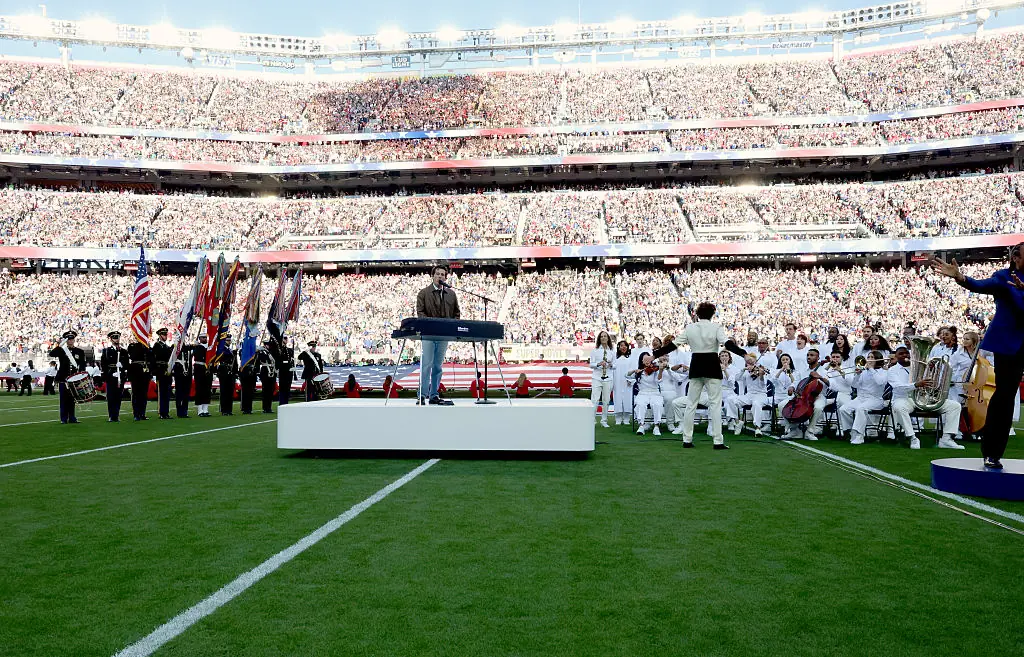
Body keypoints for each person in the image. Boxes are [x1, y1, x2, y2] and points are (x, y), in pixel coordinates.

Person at [931, 247, 1024, 469]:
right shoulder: (1003, 277)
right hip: (1009, 344)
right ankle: (992, 452)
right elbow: (980, 285)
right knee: (1005, 396)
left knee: (1005, 396)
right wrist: (960, 277)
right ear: (1015, 257)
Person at [887, 345, 964, 450]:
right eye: (901, 353)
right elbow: (897, 387)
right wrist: (916, 385)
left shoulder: (921, 367)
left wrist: (932, 371)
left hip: (923, 398)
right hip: (904, 398)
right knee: (899, 407)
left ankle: (946, 439)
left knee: (955, 406)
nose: (905, 355)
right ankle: (912, 437)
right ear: (895, 356)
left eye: (907, 353)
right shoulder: (892, 370)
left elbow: (933, 383)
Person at [415, 265, 460, 406]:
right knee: (426, 365)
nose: (440, 276)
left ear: (446, 277)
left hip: (443, 336)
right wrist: (432, 325)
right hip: (428, 335)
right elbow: (420, 313)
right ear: (432, 276)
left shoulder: (451, 294)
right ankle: (422, 395)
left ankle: (434, 394)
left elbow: (456, 313)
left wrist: (451, 326)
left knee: (438, 366)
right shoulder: (423, 293)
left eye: (443, 274)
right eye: (438, 274)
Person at [839, 351, 888, 445]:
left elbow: (880, 382)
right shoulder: (864, 371)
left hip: (876, 399)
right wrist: (857, 375)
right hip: (860, 398)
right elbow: (854, 385)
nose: (868, 359)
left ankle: (859, 435)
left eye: (872, 357)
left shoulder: (884, 372)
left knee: (861, 409)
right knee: (843, 409)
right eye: (868, 357)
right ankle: (850, 432)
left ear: (878, 359)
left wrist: (871, 369)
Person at [805, 350, 855, 442]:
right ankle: (817, 427)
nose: (835, 359)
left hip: (844, 394)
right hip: (829, 396)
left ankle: (844, 429)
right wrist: (828, 367)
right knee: (817, 403)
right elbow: (823, 380)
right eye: (833, 357)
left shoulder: (847, 369)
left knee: (842, 403)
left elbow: (850, 382)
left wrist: (839, 370)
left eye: (837, 357)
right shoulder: (827, 369)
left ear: (842, 359)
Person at [47, 330, 85, 424]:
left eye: (72, 339)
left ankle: (72, 417)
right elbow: (51, 354)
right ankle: (63, 418)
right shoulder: (62, 350)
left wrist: (81, 376)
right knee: (63, 399)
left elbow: (82, 365)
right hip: (63, 378)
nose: (70, 341)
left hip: (74, 378)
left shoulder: (79, 351)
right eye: (68, 339)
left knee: (72, 399)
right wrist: (59, 345)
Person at [630, 352, 665, 436]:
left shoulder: (655, 370)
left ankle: (656, 427)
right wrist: (634, 371)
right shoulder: (639, 372)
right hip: (642, 393)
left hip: (655, 393)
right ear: (642, 361)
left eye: (648, 359)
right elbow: (626, 375)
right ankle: (641, 426)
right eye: (645, 359)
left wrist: (660, 370)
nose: (647, 361)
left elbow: (658, 380)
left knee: (657, 404)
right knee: (640, 404)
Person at [100, 331, 130, 422]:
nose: (116, 339)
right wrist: (109, 374)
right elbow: (104, 365)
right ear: (111, 339)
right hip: (111, 376)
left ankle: (116, 415)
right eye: (115, 338)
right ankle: (111, 415)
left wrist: (122, 365)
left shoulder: (123, 351)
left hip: (120, 376)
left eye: (117, 337)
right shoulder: (106, 351)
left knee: (118, 397)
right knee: (111, 397)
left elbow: (127, 363)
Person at [589, 331, 614, 427]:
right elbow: (591, 364)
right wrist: (599, 364)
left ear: (608, 338)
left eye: (605, 336)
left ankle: (604, 420)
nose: (603, 338)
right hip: (597, 377)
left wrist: (610, 364)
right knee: (594, 399)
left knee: (606, 400)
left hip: (608, 377)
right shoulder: (594, 351)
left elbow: (615, 365)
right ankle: (592, 419)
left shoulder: (612, 351)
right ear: (599, 339)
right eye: (601, 336)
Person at [127, 334, 154, 422]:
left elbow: (151, 358)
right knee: (136, 393)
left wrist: (147, 347)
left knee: (143, 394)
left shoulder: (146, 347)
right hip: (135, 372)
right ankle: (136, 413)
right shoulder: (133, 346)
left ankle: (142, 413)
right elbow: (133, 355)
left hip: (145, 373)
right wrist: (141, 345)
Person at [152, 327, 174, 420]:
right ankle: (162, 412)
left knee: (167, 393)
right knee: (162, 392)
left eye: (166, 334)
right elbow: (156, 359)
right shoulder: (157, 345)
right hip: (161, 371)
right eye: (163, 334)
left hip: (167, 370)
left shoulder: (166, 346)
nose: (165, 336)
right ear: (160, 336)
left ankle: (166, 412)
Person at [611, 340, 633, 425]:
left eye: (625, 346)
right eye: (621, 346)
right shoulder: (615, 360)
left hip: (627, 383)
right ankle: (618, 418)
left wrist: (630, 380)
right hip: (617, 382)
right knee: (618, 399)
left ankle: (627, 418)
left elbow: (633, 371)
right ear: (618, 348)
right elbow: (612, 372)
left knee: (627, 399)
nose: (623, 347)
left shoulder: (630, 359)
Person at [191, 335, 212, 417]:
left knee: (207, 390)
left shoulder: (209, 347)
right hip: (199, 369)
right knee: (199, 389)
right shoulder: (198, 347)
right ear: (199, 339)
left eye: (205, 337)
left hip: (207, 369)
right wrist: (195, 347)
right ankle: (200, 410)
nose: (205, 339)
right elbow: (194, 355)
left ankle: (205, 409)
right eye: (203, 338)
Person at [217, 335, 239, 416]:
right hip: (224, 372)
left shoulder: (230, 349)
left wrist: (236, 372)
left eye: (230, 340)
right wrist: (234, 351)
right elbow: (224, 355)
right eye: (227, 340)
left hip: (231, 372)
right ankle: (224, 410)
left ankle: (229, 409)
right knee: (224, 391)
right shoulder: (222, 348)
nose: (229, 342)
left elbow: (234, 361)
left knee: (230, 392)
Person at [172, 338, 192, 418]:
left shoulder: (187, 350)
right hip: (179, 375)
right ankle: (179, 411)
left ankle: (185, 411)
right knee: (179, 394)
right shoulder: (175, 349)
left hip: (187, 375)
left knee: (186, 394)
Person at [257, 343, 277, 413]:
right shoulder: (262, 352)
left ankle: (269, 407)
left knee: (271, 390)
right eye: (268, 345)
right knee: (265, 390)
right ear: (265, 345)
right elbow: (261, 359)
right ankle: (265, 408)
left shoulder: (271, 352)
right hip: (265, 371)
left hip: (272, 372)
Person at [275, 335, 295, 406]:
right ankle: (282, 402)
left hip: (289, 371)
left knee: (287, 387)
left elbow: (291, 360)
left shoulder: (289, 350)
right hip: (283, 370)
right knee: (282, 388)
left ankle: (286, 403)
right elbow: (277, 360)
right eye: (284, 339)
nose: (286, 340)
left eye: (286, 339)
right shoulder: (279, 350)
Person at [238, 348, 258, 415]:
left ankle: (249, 408)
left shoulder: (254, 351)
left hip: (252, 372)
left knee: (251, 391)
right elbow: (244, 357)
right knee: (245, 391)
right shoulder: (242, 351)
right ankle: (245, 408)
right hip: (245, 372)